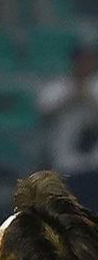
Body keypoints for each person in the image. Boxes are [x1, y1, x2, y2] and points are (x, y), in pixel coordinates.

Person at [38, 45, 98, 213]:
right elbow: (44, 110)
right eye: (82, 60)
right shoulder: (58, 87)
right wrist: (73, 95)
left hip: (94, 165)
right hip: (66, 165)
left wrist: (86, 97)